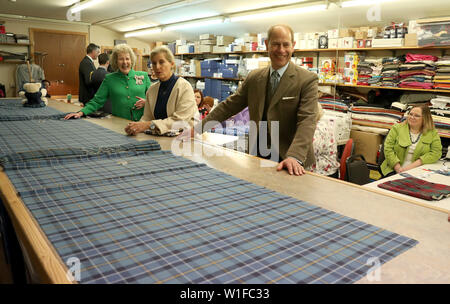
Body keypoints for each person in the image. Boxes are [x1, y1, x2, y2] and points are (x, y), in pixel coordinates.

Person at [183, 24, 318, 176]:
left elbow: (307, 120)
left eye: (286, 44)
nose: (281, 50)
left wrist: (295, 156)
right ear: (267, 45)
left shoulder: (307, 80)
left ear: (293, 46)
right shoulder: (255, 78)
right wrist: (197, 129)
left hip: (290, 159)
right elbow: (229, 106)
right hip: (258, 153)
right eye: (276, 44)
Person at [124, 46, 198, 136]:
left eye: (161, 62)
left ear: (171, 64)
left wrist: (148, 125)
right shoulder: (152, 90)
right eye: (154, 63)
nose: (157, 67)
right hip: (161, 138)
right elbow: (146, 118)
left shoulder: (184, 87)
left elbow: (180, 121)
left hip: (186, 139)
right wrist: (136, 127)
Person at [65, 44, 150, 121]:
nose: (125, 62)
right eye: (121, 59)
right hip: (119, 124)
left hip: (141, 123)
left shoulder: (144, 76)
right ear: (116, 61)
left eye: (127, 59)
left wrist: (146, 102)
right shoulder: (109, 79)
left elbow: (155, 99)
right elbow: (97, 101)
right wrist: (81, 113)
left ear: (131, 60)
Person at [380, 105, 442, 177]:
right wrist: (398, 168)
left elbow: (436, 152)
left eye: (417, 116)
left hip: (418, 170)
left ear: (425, 118)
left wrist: (416, 164)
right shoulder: (397, 128)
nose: (412, 117)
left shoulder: (432, 132)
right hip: (393, 169)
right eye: (410, 114)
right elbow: (388, 148)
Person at [310, 104, 340, 178]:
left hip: (324, 173)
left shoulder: (318, 129)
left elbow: (312, 152)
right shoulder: (322, 124)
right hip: (323, 170)